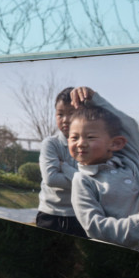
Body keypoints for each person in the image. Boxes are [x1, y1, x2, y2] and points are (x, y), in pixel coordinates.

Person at [67, 88, 139, 257]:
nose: (81, 143)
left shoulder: (129, 159)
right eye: (74, 137)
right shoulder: (83, 181)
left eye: (90, 137)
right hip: (132, 261)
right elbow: (98, 230)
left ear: (116, 143)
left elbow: (129, 125)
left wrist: (95, 99)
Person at [36, 87, 90, 238]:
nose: (65, 119)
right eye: (60, 114)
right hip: (50, 215)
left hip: (81, 216)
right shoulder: (51, 144)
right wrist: (81, 179)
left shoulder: (89, 146)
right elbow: (52, 179)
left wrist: (63, 167)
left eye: (71, 113)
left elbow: (91, 182)